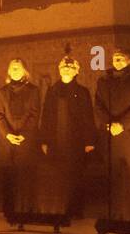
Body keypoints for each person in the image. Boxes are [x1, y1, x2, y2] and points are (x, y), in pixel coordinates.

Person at [93, 47, 130, 222]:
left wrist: (122, 124)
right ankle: (114, 214)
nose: (117, 60)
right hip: (109, 135)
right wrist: (109, 123)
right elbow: (98, 105)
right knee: (113, 176)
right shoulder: (103, 81)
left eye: (121, 57)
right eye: (115, 57)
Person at [38, 56, 96, 219]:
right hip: (56, 141)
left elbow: (88, 117)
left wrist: (89, 141)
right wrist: (44, 140)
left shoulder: (82, 92)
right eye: (64, 67)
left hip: (76, 140)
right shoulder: (53, 90)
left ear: (77, 71)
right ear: (59, 69)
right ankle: (60, 209)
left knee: (75, 175)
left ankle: (75, 210)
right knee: (58, 175)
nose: (67, 69)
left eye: (71, 67)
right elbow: (46, 116)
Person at [0, 58, 40, 223]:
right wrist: (8, 135)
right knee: (9, 178)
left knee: (26, 177)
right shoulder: (1, 92)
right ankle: (10, 213)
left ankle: (27, 212)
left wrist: (24, 134)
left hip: (25, 141)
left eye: (18, 68)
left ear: (25, 71)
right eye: (12, 68)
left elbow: (34, 114)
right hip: (7, 142)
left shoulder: (34, 91)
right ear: (8, 71)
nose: (15, 70)